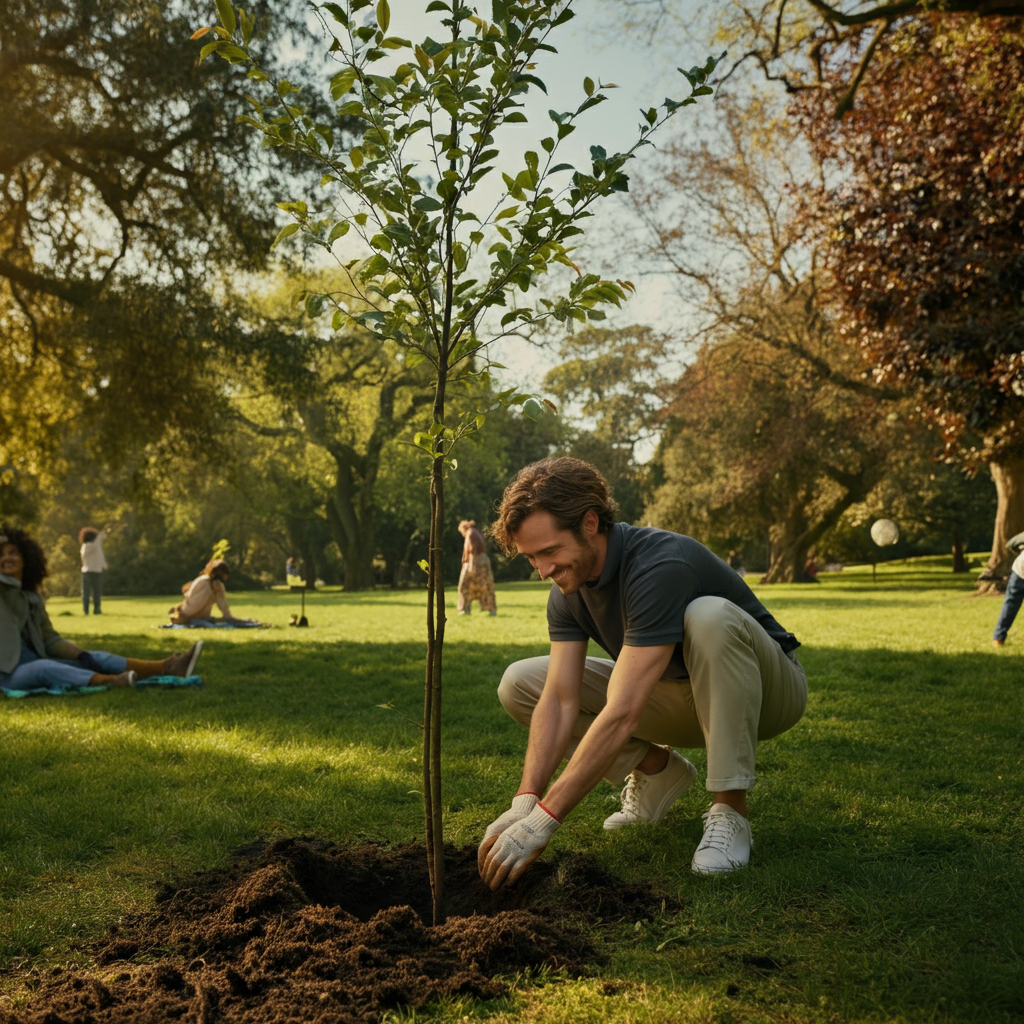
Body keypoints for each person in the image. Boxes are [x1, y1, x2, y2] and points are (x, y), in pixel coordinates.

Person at [476, 457, 808, 891]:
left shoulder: (658, 563)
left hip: (767, 693)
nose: (543, 570)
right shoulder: (567, 593)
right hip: (677, 695)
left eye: (550, 551)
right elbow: (558, 699)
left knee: (709, 616)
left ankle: (731, 811)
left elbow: (624, 710)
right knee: (521, 683)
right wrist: (526, 801)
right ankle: (657, 769)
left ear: (590, 523)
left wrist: (545, 821)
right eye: (531, 558)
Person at [1, 525, 203, 694]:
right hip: (8, 675)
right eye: (0, 555)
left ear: (26, 558)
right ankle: (110, 681)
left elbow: (49, 639)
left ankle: (168, 667)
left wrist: (81, 655)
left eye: (13, 553)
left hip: (38, 660)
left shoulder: (32, 598)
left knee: (97, 657)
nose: (6, 558)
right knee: (43, 668)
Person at [169, 559, 259, 626]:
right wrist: (211, 591)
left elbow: (225, 611)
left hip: (203, 618)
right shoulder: (203, 582)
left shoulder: (218, 586)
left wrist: (218, 593)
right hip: (188, 617)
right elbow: (192, 607)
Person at [457, 519, 497, 616]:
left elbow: (473, 549)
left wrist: (472, 565)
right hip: (481, 561)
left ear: (463, 528)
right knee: (486, 585)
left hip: (475, 561)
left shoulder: (470, 533)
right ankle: (491, 609)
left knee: (464, 585)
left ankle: (465, 609)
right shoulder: (474, 532)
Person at [992, 531, 1024, 647]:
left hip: (1019, 569)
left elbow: (1011, 544)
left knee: (1010, 603)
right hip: (1020, 571)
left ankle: (998, 638)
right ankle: (998, 637)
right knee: (1011, 604)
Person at [79, 525, 109, 615]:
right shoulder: (86, 546)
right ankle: (86, 610)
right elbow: (96, 543)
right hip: (87, 571)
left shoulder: (97, 546)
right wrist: (100, 535)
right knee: (86, 593)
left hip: (97, 570)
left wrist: (104, 565)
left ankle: (97, 609)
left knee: (97, 592)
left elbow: (101, 556)